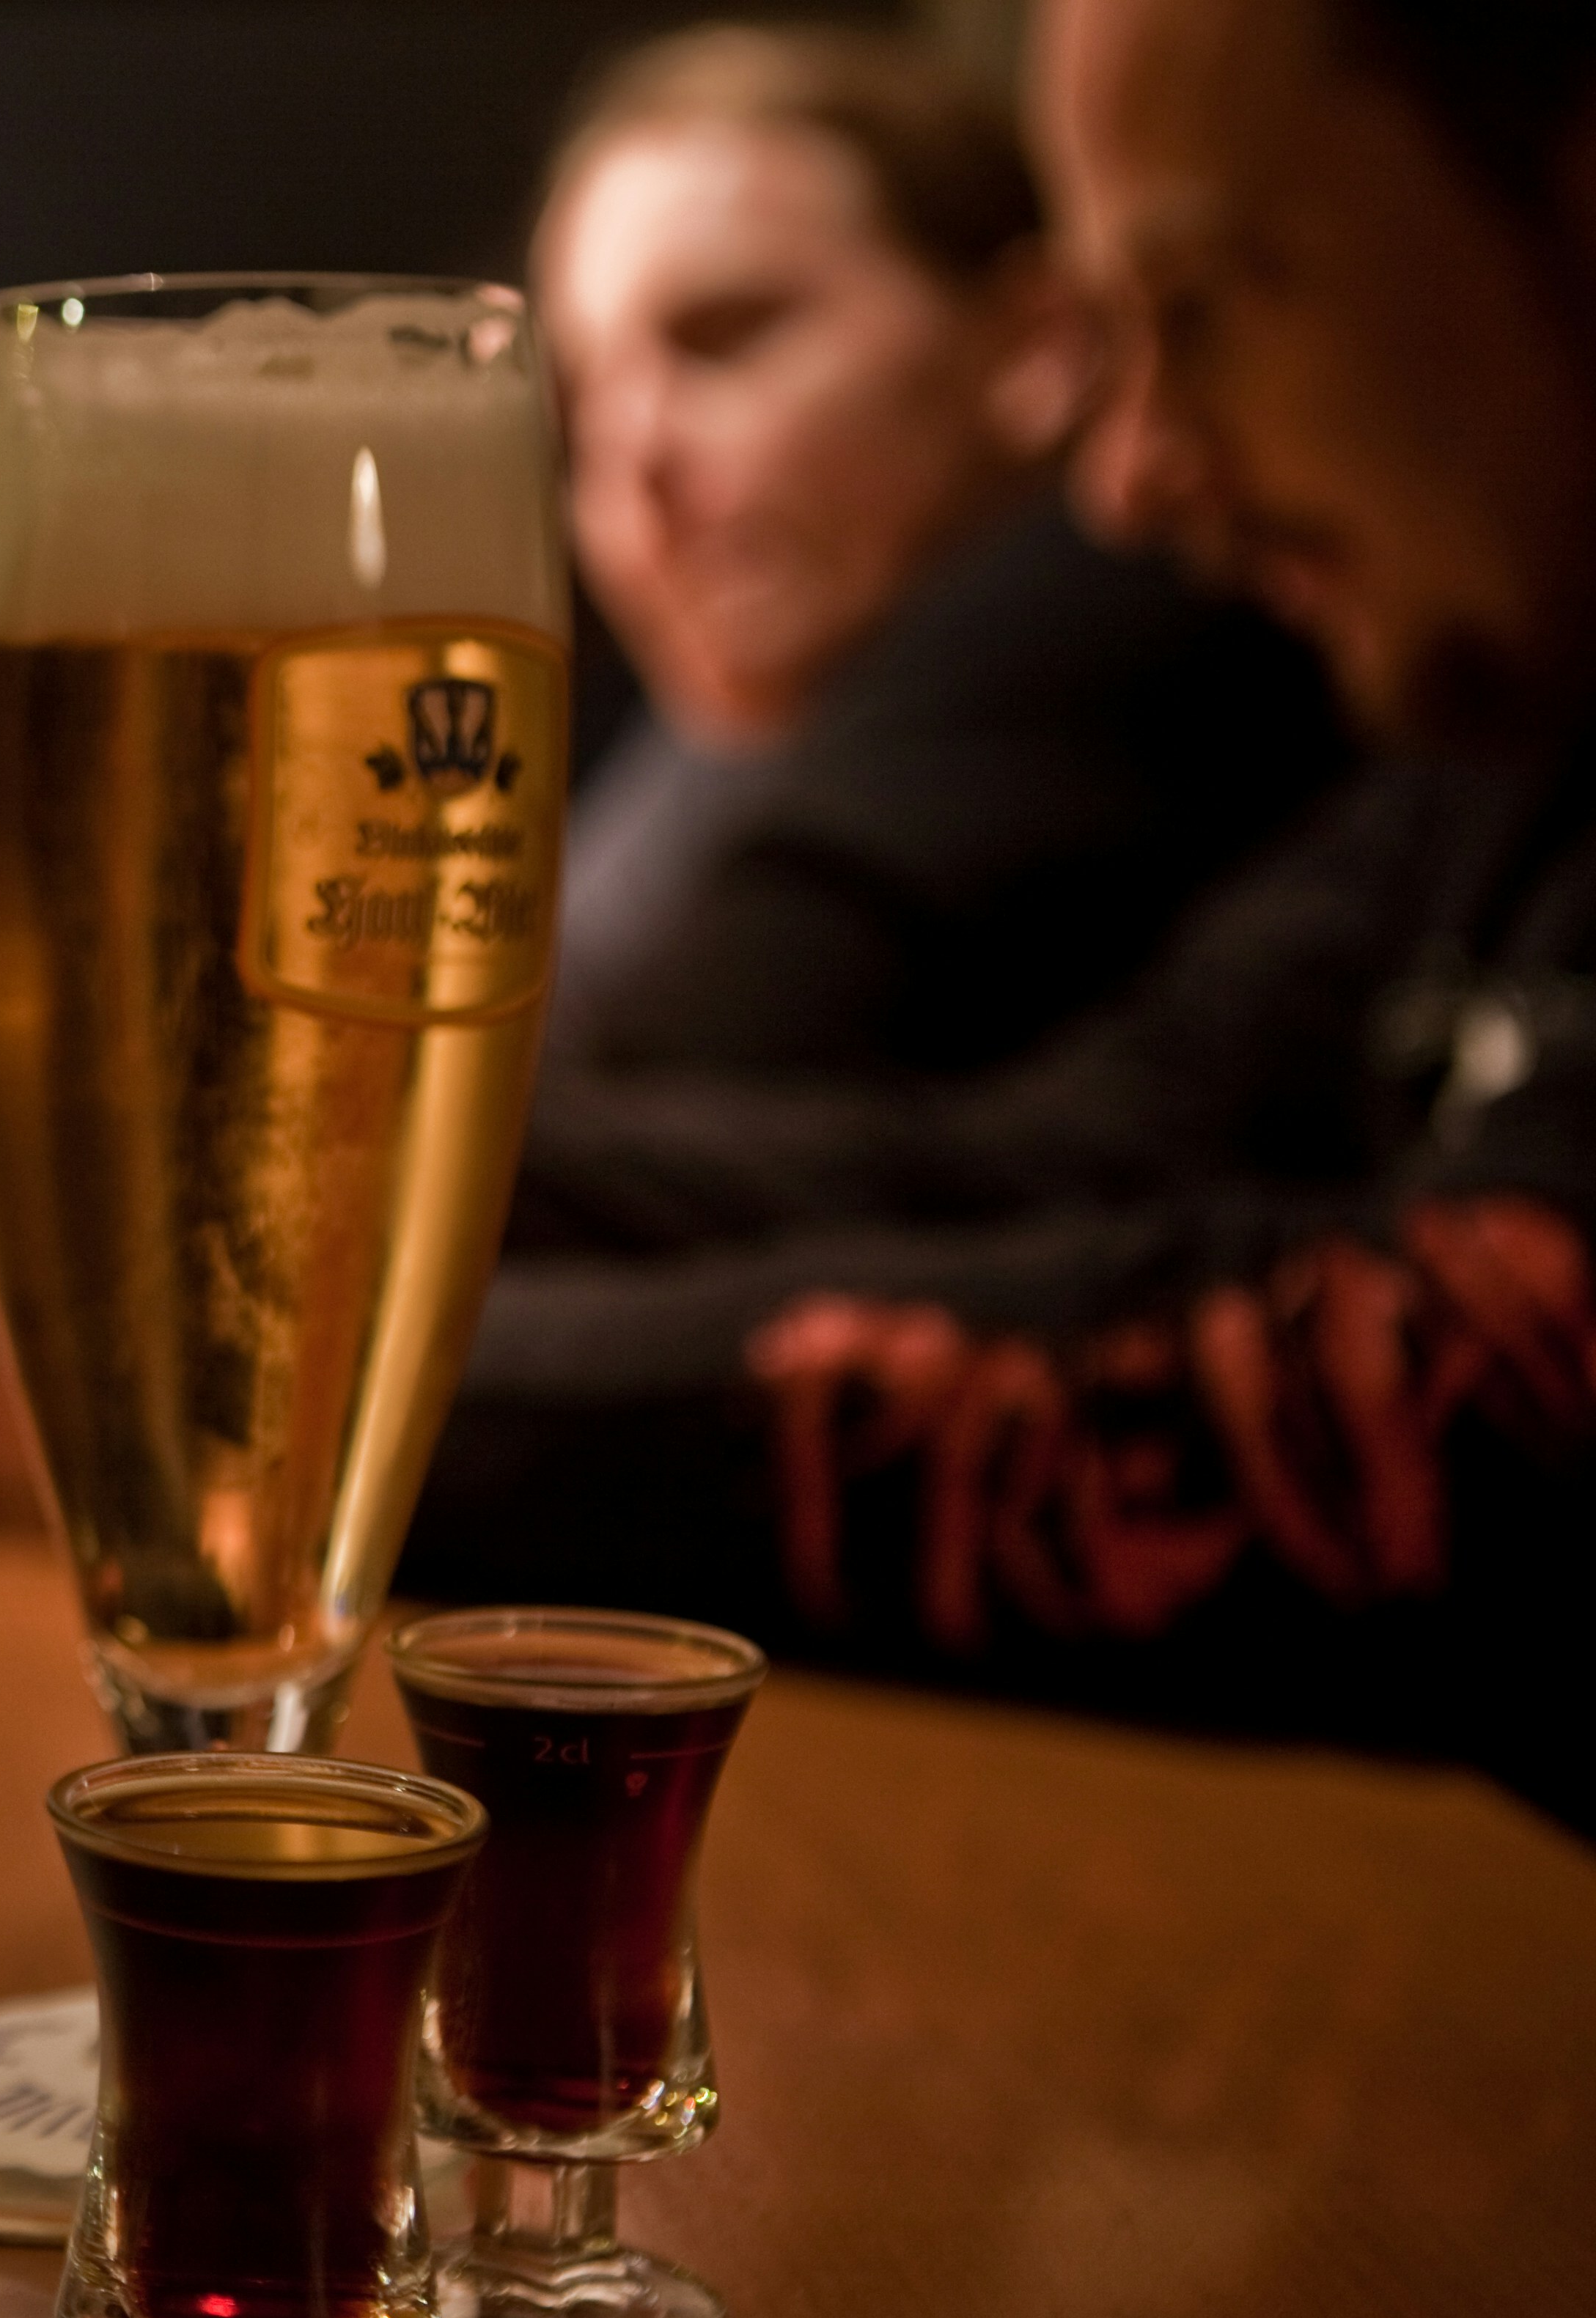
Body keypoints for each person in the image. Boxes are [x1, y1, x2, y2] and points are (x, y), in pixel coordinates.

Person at [413, 0, 1596, 1821]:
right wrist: (259, 1234)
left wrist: (306, 1408)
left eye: (1204, 304)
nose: (1128, 478)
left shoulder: (1130, 640)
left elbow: (1448, 1417)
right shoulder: (1498, 752)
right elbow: (1074, 1154)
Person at [535, 24, 1347, 1081]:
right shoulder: (695, 762)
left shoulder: (1124, 599)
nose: (631, 456)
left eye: (727, 336)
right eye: (580, 399)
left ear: (1033, 347)